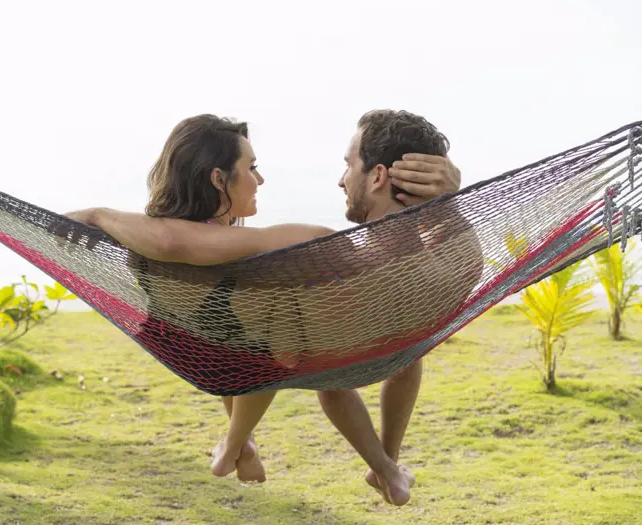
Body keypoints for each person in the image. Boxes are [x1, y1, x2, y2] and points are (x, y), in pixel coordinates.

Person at [65, 110, 478, 505]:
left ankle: (244, 446)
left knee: (257, 337)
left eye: (348, 165)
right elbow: (462, 260)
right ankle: (385, 466)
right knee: (383, 355)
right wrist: (448, 204)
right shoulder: (445, 272)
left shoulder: (324, 252)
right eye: (252, 168)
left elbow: (174, 243)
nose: (340, 180)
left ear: (378, 176)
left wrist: (100, 214)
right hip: (366, 350)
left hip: (256, 348)